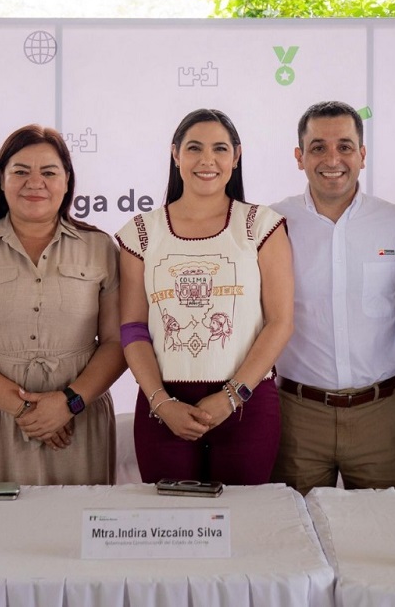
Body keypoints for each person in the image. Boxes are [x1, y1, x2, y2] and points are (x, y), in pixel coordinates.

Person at [0, 124, 125, 485]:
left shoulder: (100, 249)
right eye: (20, 171)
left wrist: (67, 404)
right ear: (1, 180)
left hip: (78, 422)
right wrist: (25, 409)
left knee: (71, 533)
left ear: (67, 181)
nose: (34, 182)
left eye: (49, 172)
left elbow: (118, 343)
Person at [116, 108, 294, 485]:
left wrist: (232, 396)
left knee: (244, 527)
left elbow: (280, 322)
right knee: (170, 531)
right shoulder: (140, 234)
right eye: (194, 148)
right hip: (164, 407)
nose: (207, 160)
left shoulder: (261, 225)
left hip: (247, 405)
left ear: (237, 156)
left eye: (220, 149)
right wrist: (161, 402)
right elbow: (132, 329)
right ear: (176, 155)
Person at [270, 101, 395, 494]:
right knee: (297, 542)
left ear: (362, 156)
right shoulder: (270, 225)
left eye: (345, 147)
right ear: (299, 157)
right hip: (297, 415)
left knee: (384, 542)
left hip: (380, 415)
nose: (332, 158)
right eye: (318, 147)